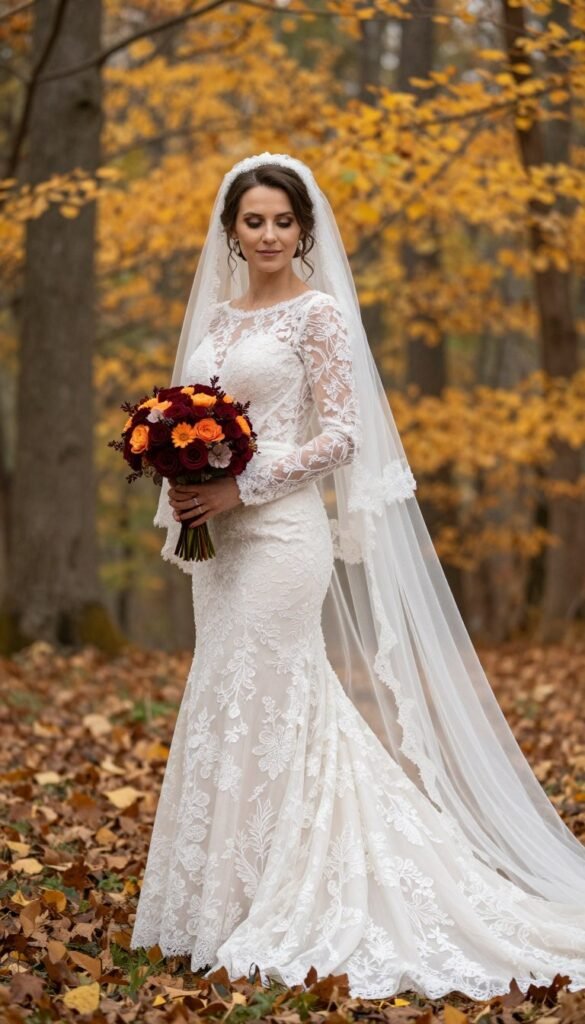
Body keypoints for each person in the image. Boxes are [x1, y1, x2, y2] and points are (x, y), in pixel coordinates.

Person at [129, 153, 585, 1000]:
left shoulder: (320, 316)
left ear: (303, 230)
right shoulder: (219, 321)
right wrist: (182, 476)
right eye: (252, 220)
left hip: (281, 537)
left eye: (282, 221)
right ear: (230, 229)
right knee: (225, 691)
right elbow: (188, 416)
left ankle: (290, 892)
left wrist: (242, 485)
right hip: (216, 546)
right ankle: (216, 901)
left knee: (270, 688)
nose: (267, 234)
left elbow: (341, 435)